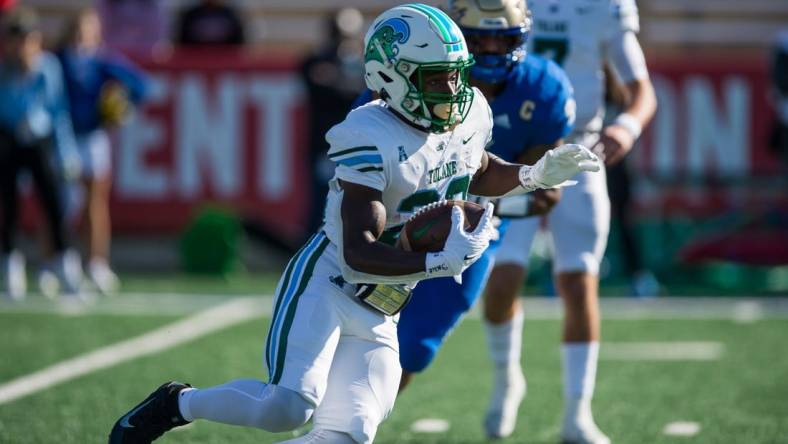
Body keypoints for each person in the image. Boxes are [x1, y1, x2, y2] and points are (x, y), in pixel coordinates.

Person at [108, 4, 600, 444]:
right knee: (287, 407)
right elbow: (360, 249)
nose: (452, 89)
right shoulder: (369, 132)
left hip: (384, 305)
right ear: (394, 76)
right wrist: (437, 260)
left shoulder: (468, 113)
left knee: (352, 431)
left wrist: (534, 174)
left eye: (456, 75)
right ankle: (179, 403)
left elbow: (479, 167)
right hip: (331, 284)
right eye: (436, 78)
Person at [481, 0, 657, 442]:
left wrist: (626, 128)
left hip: (581, 149)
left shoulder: (605, 7)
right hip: (515, 150)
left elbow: (641, 88)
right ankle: (507, 378)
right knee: (502, 279)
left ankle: (578, 412)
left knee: (579, 281)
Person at [392, 0, 573, 412]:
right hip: (395, 211)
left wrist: (471, 207)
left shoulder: (543, 88)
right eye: (479, 38)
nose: (490, 49)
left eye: (501, 38)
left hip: (472, 227)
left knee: (417, 341)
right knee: (353, 317)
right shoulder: (416, 69)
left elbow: (543, 194)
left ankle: (350, 430)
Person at [56, 8, 148, 295]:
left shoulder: (101, 61)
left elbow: (141, 85)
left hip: (93, 137)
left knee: (95, 202)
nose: (84, 34)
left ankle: (96, 263)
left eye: (90, 28)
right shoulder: (57, 60)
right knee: (63, 205)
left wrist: (119, 109)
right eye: (81, 28)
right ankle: (61, 261)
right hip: (64, 137)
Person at [0, 7, 83, 300]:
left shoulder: (47, 68)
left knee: (53, 204)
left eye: (27, 39)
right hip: (8, 141)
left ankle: (65, 267)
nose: (22, 47)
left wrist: (67, 152)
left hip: (39, 142)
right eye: (16, 39)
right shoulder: (4, 71)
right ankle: (10, 267)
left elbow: (58, 112)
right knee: (8, 206)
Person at [301, 8, 366, 237]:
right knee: (322, 202)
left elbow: (361, 92)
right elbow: (323, 90)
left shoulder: (362, 63)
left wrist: (338, 81)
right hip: (326, 144)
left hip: (358, 144)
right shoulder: (316, 60)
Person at [175, 0, 246, 46]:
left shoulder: (230, 14)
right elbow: (182, 44)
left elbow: (238, 43)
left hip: (225, 60)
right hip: (195, 60)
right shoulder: (191, 15)